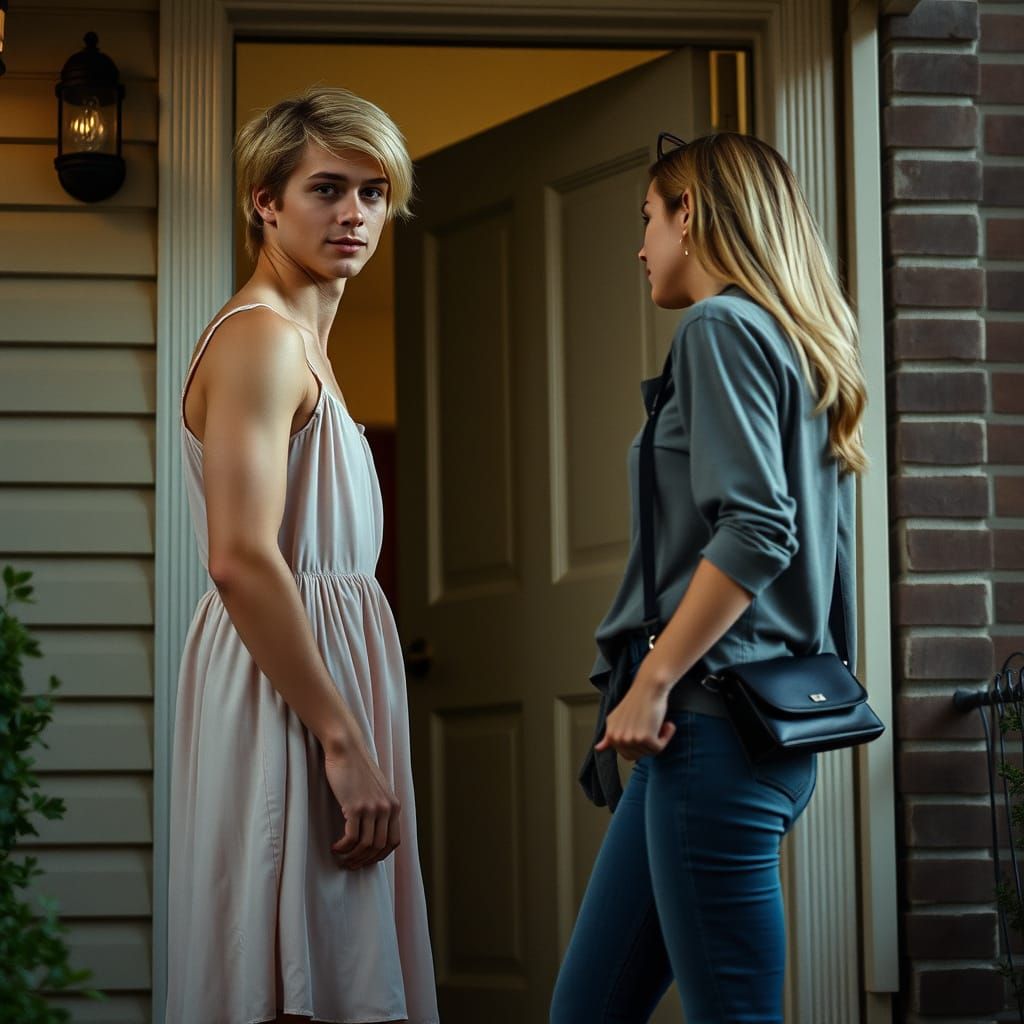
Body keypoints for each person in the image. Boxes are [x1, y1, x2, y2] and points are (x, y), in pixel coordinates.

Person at [551, 131, 868, 1024]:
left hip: (710, 730)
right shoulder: (793, 341)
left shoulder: (722, 326)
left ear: (689, 214)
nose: (641, 244)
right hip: (739, 730)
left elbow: (760, 530)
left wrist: (651, 682)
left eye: (648, 218)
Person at [166, 88, 438, 1024]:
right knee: (294, 978)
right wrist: (342, 738)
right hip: (289, 698)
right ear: (264, 201)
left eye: (373, 192)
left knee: (332, 968)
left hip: (318, 686)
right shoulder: (261, 344)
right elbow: (241, 558)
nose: (355, 215)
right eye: (328, 189)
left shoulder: (305, 347)